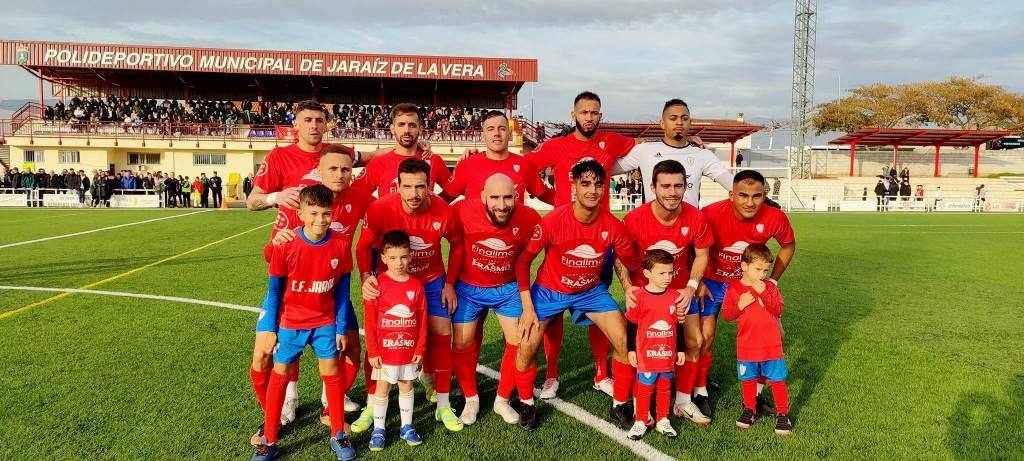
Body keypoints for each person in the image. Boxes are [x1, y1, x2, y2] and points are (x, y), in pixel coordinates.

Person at [512, 159, 641, 431]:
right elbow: (523, 262)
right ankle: (526, 401)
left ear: (605, 188)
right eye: (585, 183)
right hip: (549, 291)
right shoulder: (554, 221)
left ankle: (620, 403)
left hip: (590, 292)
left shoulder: (613, 226)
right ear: (574, 187)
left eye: (598, 184)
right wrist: (527, 306)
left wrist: (630, 288)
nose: (592, 190)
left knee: (622, 338)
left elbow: (627, 262)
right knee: (525, 345)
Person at [265, 144, 373, 428]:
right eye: (333, 169)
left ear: (352, 172)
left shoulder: (360, 197)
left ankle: (330, 399)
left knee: (351, 347)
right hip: (295, 293)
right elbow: (271, 252)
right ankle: (290, 399)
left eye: (345, 169)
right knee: (283, 352)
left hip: (333, 289)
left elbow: (381, 220)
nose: (339, 174)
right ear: (320, 171)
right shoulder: (301, 200)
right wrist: (276, 243)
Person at [354, 158, 464, 434]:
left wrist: (449, 284)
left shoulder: (444, 211)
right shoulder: (380, 209)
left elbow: (458, 245)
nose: (414, 194)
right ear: (397, 186)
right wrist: (366, 276)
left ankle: (442, 403)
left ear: (430, 186)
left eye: (420, 187)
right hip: (389, 281)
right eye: (408, 187)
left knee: (441, 332)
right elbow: (362, 247)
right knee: (380, 336)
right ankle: (371, 404)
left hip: (430, 279)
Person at [249, 185, 357, 461]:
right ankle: (269, 439)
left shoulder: (341, 244)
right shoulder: (286, 245)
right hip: (291, 322)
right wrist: (271, 327)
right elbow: (274, 290)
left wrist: (343, 326)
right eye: (314, 213)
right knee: (280, 375)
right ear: (300, 213)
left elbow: (343, 290)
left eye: (326, 214)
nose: (320, 220)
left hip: (324, 322)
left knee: (331, 373)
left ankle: (338, 435)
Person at [695, 170, 796, 421]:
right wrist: (694, 281)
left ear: (765, 195)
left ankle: (757, 395)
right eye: (743, 195)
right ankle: (699, 390)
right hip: (712, 282)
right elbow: (692, 245)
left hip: (748, 285)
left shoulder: (774, 217)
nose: (750, 202)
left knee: (765, 336)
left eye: (756, 196)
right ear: (731, 195)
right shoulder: (710, 214)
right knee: (704, 337)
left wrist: (772, 279)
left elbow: (788, 244)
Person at [623, 159, 713, 426]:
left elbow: (702, 254)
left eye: (678, 186)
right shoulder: (634, 219)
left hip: (681, 293)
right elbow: (622, 257)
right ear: (653, 187)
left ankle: (683, 401)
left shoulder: (695, 216)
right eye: (665, 186)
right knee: (640, 346)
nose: (672, 192)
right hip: (648, 296)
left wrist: (691, 287)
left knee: (694, 342)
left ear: (686, 187)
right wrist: (629, 288)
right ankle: (642, 402)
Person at [447, 174, 542, 425]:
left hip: (507, 288)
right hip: (468, 287)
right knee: (462, 343)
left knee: (518, 342)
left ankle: (501, 399)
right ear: (483, 197)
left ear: (517, 196)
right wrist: (447, 283)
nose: (502, 204)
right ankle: (471, 399)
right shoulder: (462, 210)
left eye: (508, 197)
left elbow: (542, 249)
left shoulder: (530, 218)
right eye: (495, 197)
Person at [363, 230, 429, 451]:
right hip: (385, 350)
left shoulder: (416, 285)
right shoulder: (377, 284)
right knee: (382, 387)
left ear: (410, 256)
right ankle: (379, 429)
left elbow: (422, 319)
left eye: (403, 257)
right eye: (392, 257)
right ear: (383, 258)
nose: (398, 262)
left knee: (406, 385)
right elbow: (370, 321)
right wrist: (372, 350)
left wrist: (420, 347)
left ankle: (406, 426)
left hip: (408, 350)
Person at [721, 243, 793, 436]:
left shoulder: (769, 287)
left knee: (777, 380)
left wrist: (763, 291)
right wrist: (739, 304)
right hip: (747, 346)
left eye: (765, 270)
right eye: (758, 269)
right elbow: (727, 315)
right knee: (749, 379)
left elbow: (778, 309)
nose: (762, 274)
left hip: (771, 346)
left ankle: (783, 414)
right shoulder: (734, 289)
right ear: (744, 266)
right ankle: (750, 409)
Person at [613, 99, 732, 207]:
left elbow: (735, 186)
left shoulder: (702, 154)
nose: (679, 122)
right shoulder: (644, 150)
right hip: (652, 227)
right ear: (662, 124)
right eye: (673, 118)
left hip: (689, 228)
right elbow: (605, 168)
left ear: (690, 123)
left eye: (684, 118)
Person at [625, 249, 685, 440]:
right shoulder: (639, 297)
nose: (668, 277)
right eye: (662, 273)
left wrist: (681, 349)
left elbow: (679, 325)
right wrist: (631, 350)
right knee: (645, 387)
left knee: (665, 386)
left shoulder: (675, 296)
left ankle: (663, 420)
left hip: (667, 352)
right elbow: (632, 324)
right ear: (647, 273)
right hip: (646, 353)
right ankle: (641, 420)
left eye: (670, 272)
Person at [352, 103, 449, 198]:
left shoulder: (434, 160)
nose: (406, 130)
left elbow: (452, 191)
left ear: (420, 129)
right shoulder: (378, 163)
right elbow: (355, 195)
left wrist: (436, 206)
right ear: (392, 129)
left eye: (412, 125)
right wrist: (376, 209)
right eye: (401, 124)